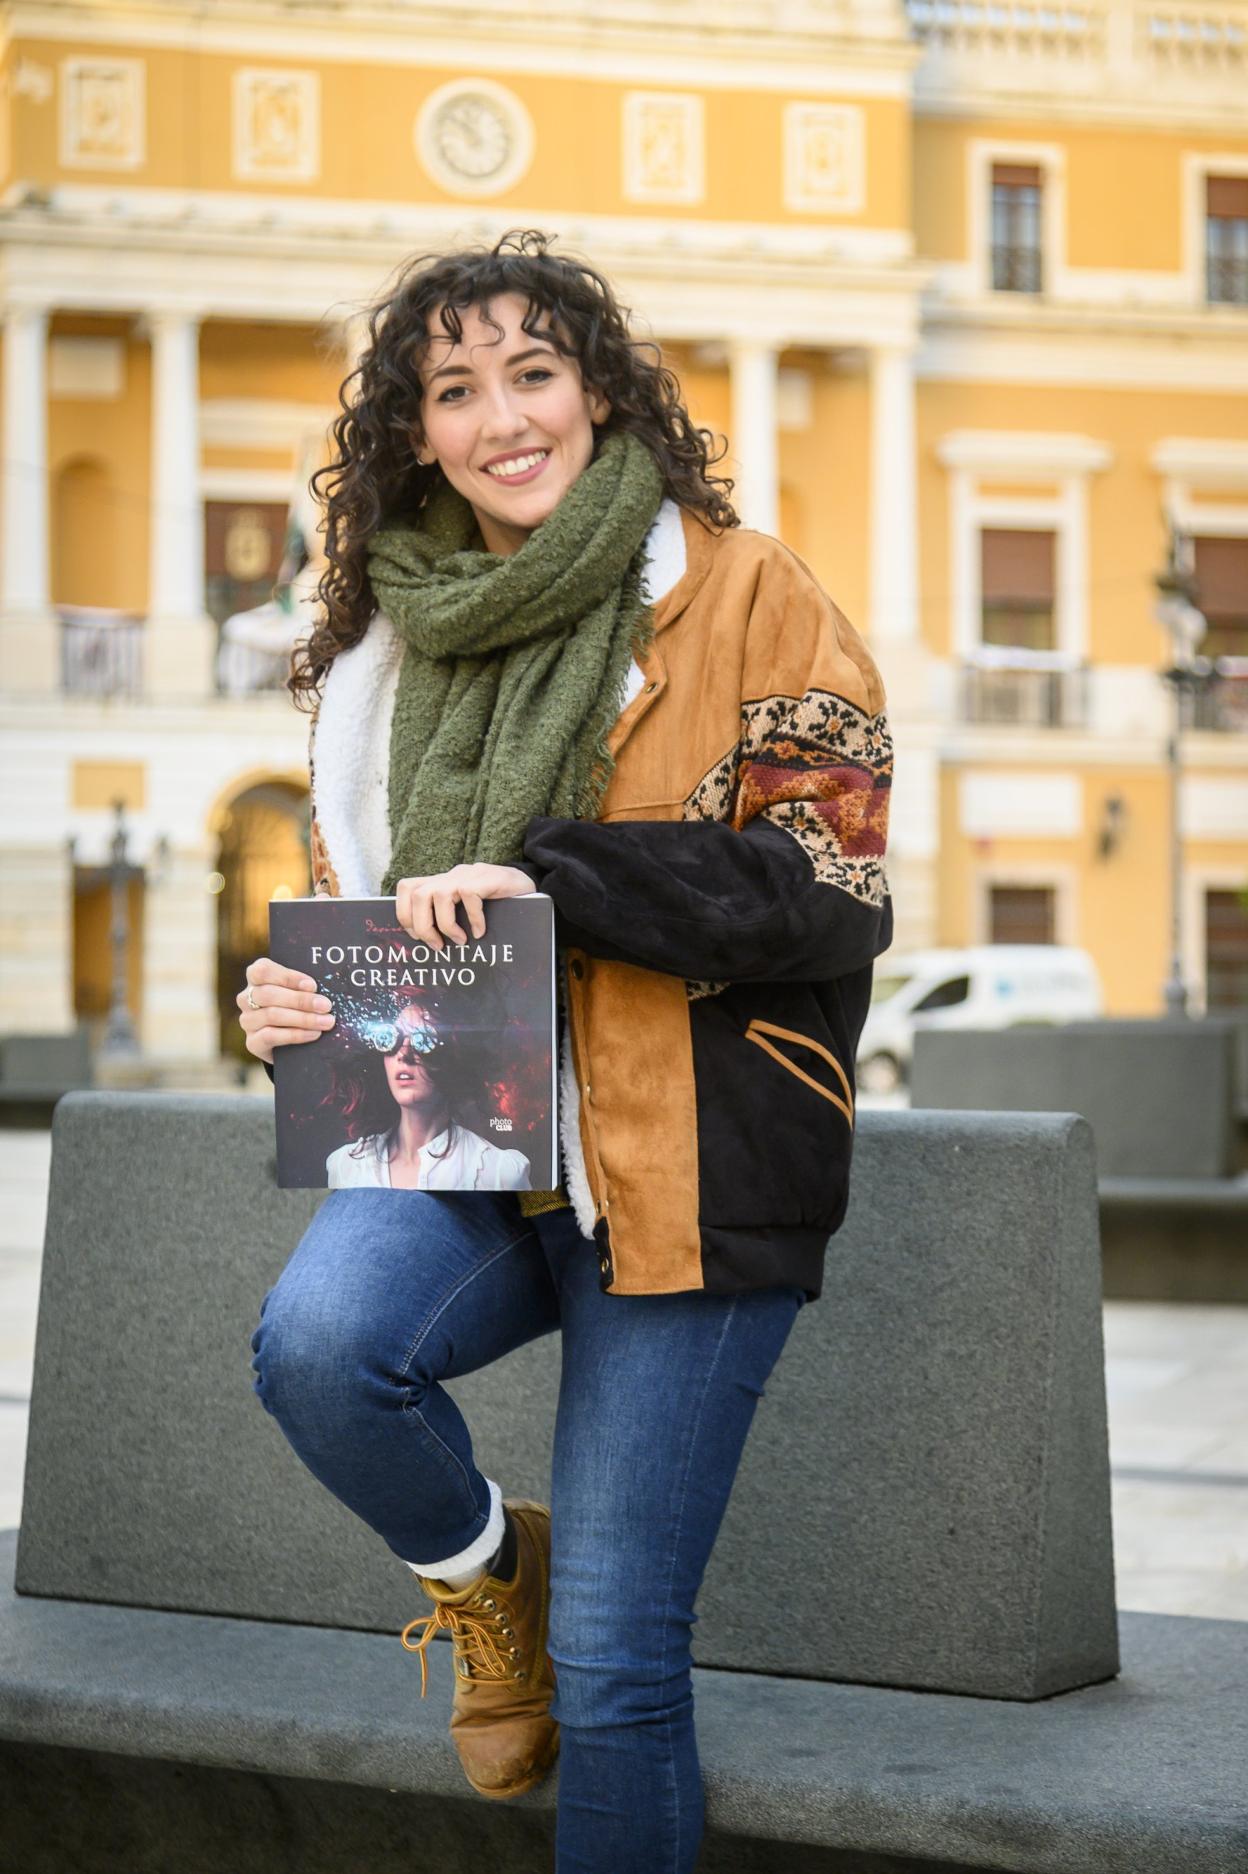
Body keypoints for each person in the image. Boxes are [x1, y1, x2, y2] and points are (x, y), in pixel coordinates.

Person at [239, 227, 892, 1874]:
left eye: (531, 370)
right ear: (413, 432)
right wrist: (291, 1018)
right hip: (465, 1138)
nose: (500, 415)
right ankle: (483, 1571)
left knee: (615, 1678)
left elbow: (829, 884)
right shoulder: (376, 662)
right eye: (452, 389)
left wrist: (556, 871)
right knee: (316, 1345)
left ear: (597, 390)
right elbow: (378, 936)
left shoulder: (746, 591)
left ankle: (559, 1627)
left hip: (688, 1168)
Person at [322, 995, 533, 1191]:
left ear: (451, 1059)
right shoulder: (345, 1166)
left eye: (422, 1040)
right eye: (391, 1040)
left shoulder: (498, 1173)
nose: (404, 1056)